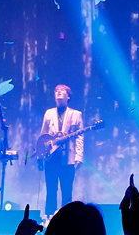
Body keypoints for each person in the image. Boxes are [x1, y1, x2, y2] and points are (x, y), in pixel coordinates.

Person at [38, 84, 84, 215]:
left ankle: (66, 219)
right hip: (50, 157)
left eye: (62, 90)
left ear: (68, 96)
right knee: (51, 190)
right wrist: (39, 156)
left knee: (67, 191)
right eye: (56, 90)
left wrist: (79, 157)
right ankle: (49, 219)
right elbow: (43, 135)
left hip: (68, 158)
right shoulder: (48, 113)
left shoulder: (76, 114)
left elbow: (80, 137)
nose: (58, 92)